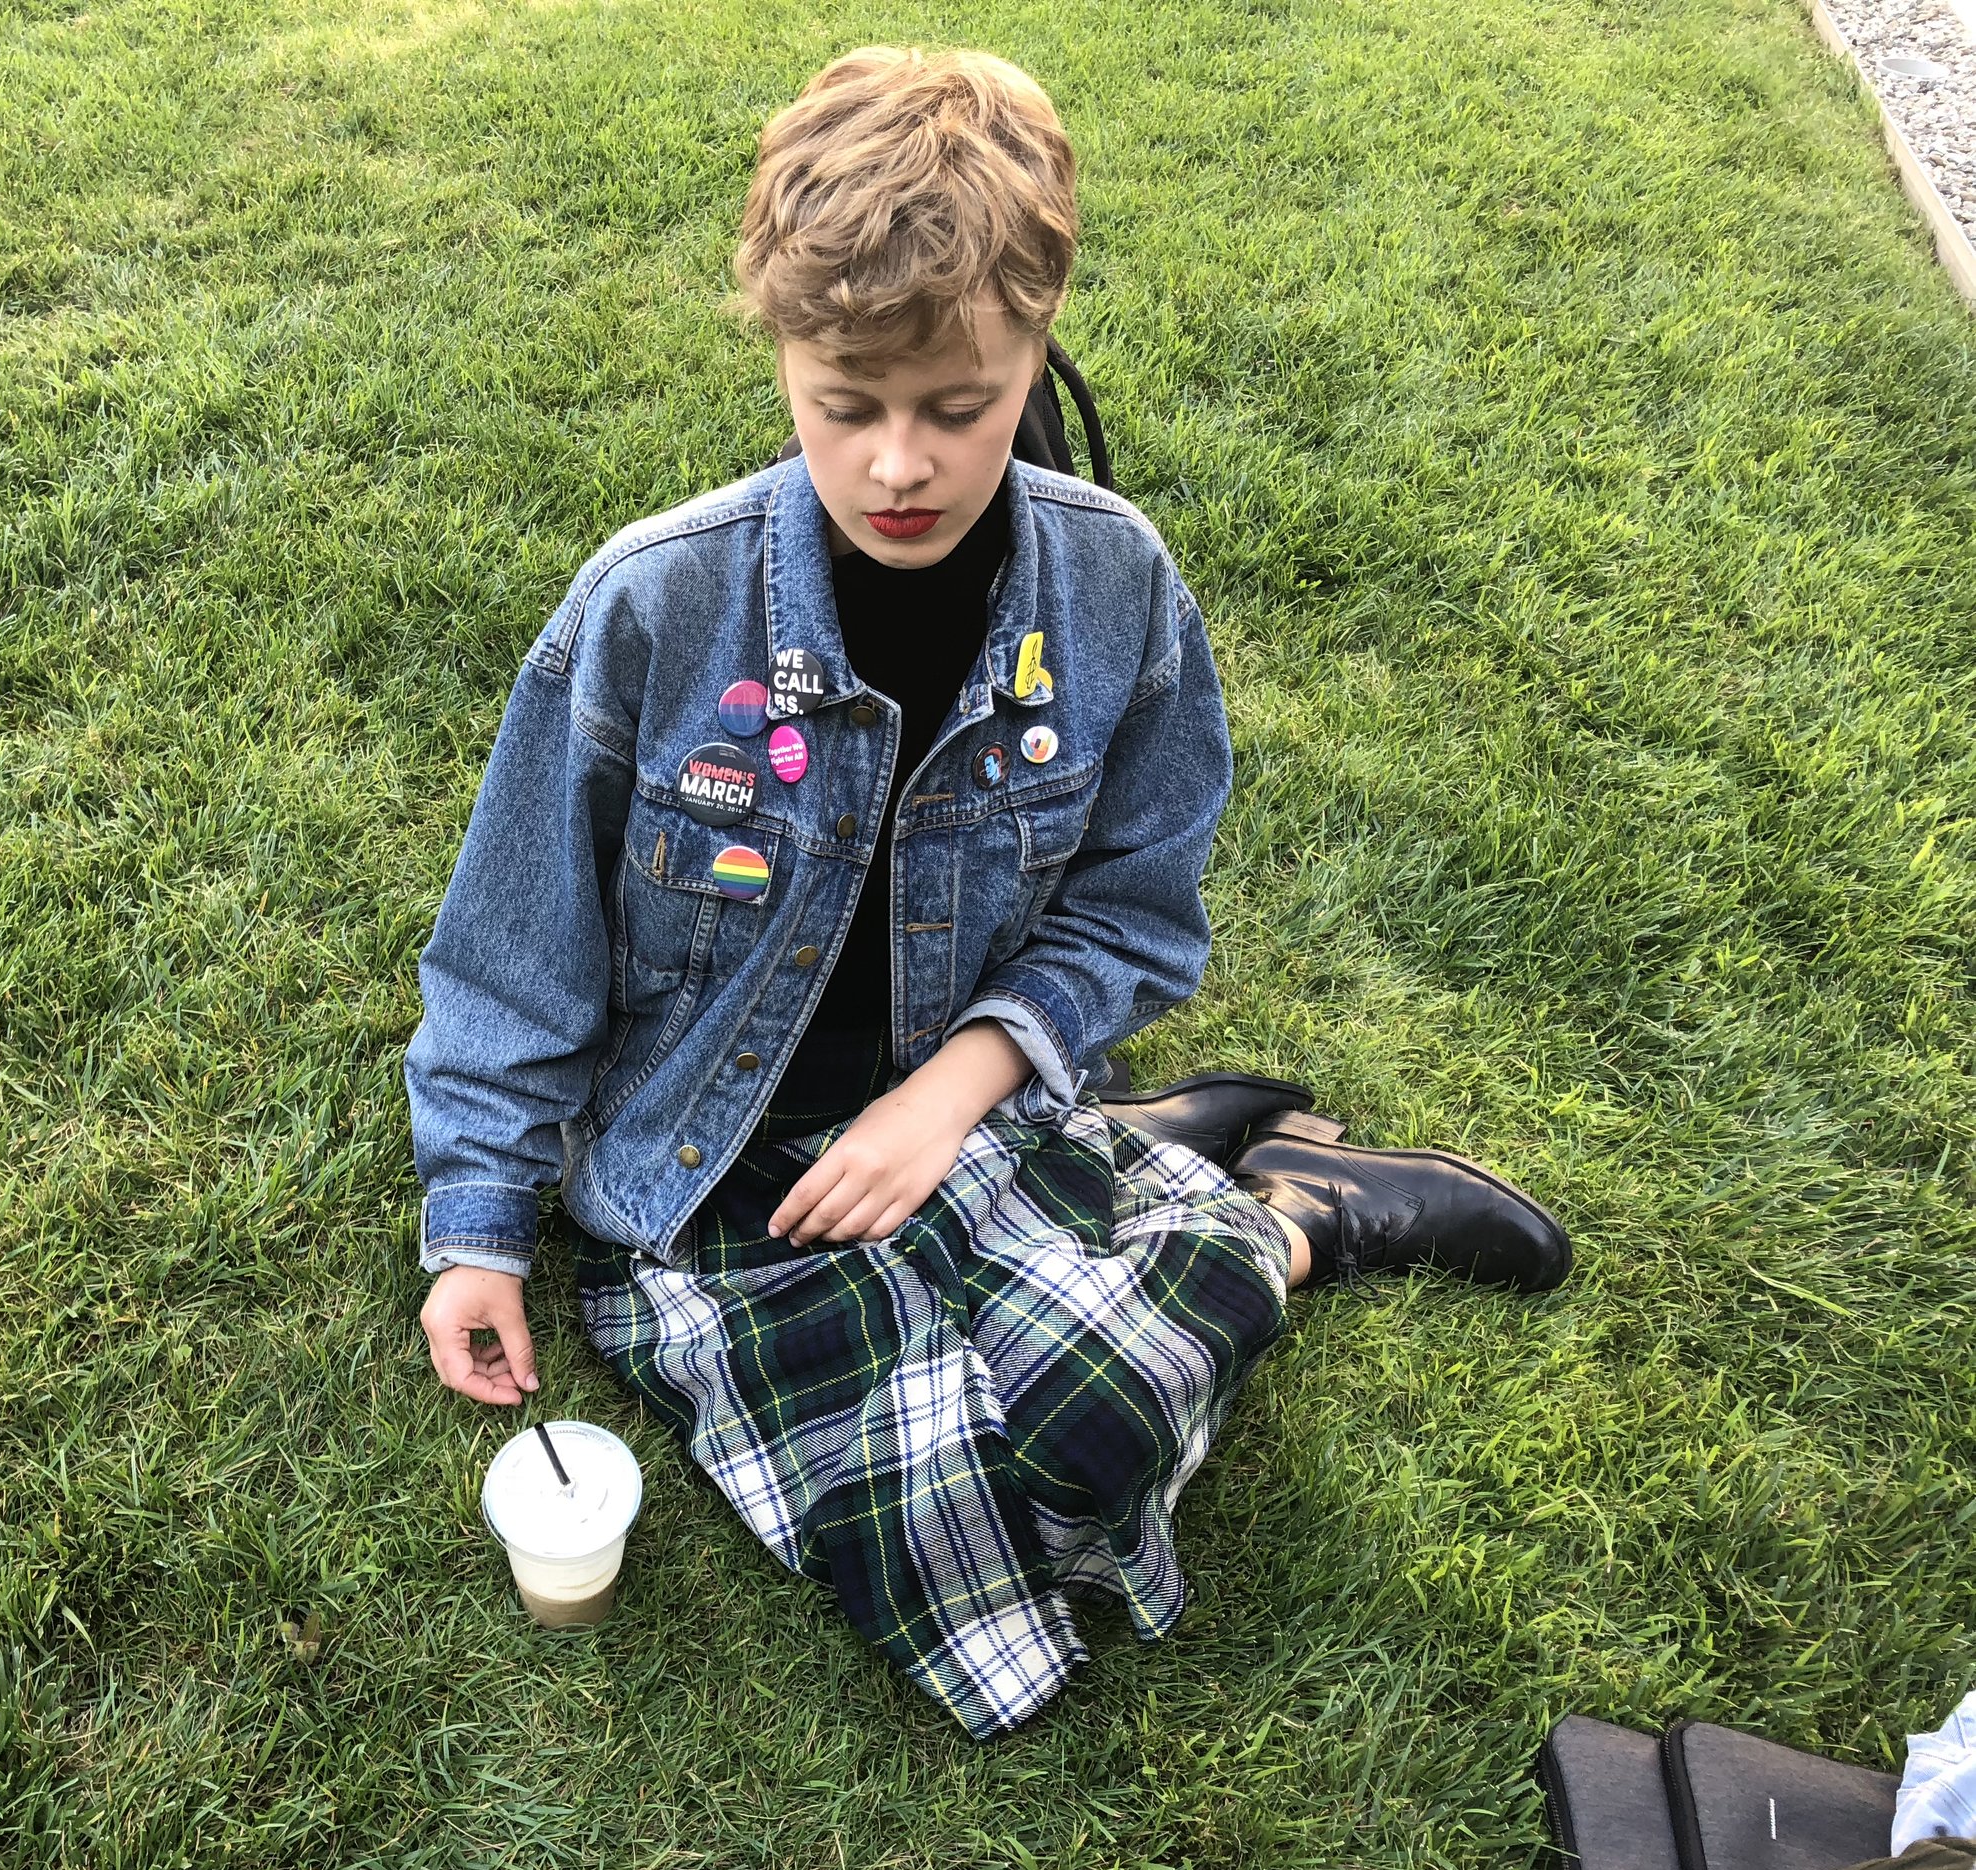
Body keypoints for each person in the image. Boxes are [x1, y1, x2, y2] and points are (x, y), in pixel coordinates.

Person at [405, 45, 1571, 1738]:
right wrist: (478, 1236)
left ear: (1038, 346)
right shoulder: (650, 609)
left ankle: (1296, 1217)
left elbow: (1137, 914)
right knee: (955, 1547)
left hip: (958, 1104)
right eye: (843, 402)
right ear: (784, 357)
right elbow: (516, 962)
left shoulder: (1115, 590)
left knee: (1102, 1417)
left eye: (958, 408)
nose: (898, 465)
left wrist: (950, 1099)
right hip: (699, 1178)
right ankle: (1148, 1166)